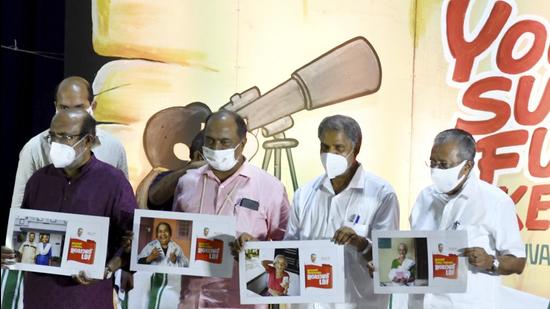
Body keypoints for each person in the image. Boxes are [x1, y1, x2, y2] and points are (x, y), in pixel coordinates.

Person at [1, 110, 136, 309]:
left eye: (66, 137)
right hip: (39, 297)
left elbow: (134, 239)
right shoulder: (39, 180)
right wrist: (11, 252)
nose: (57, 143)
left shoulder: (113, 182)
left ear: (88, 140)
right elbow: (24, 234)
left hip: (87, 297)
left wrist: (107, 270)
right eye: (53, 136)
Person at [174, 110, 290, 308]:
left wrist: (256, 251)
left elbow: (289, 253)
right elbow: (174, 238)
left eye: (224, 142)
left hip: (242, 303)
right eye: (209, 141)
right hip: (191, 301)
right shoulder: (187, 183)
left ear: (242, 144)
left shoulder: (270, 188)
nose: (216, 147)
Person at [285, 115, 399, 309]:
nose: (330, 154)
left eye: (338, 148)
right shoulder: (303, 195)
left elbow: (390, 264)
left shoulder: (382, 195)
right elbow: (289, 252)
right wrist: (252, 253)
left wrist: (361, 243)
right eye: (324, 147)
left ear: (356, 148)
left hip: (358, 304)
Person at [409, 128, 526, 309]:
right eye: (432, 163)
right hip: (421, 303)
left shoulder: (495, 201)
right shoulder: (424, 198)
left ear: (467, 166)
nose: (435, 170)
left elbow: (518, 262)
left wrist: (491, 262)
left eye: (443, 164)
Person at [11, 76, 128, 208]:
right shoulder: (34, 148)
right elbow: (19, 211)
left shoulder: (114, 148)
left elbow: (123, 206)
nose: (71, 115)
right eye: (64, 108)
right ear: (56, 107)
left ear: (93, 106)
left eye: (79, 108)